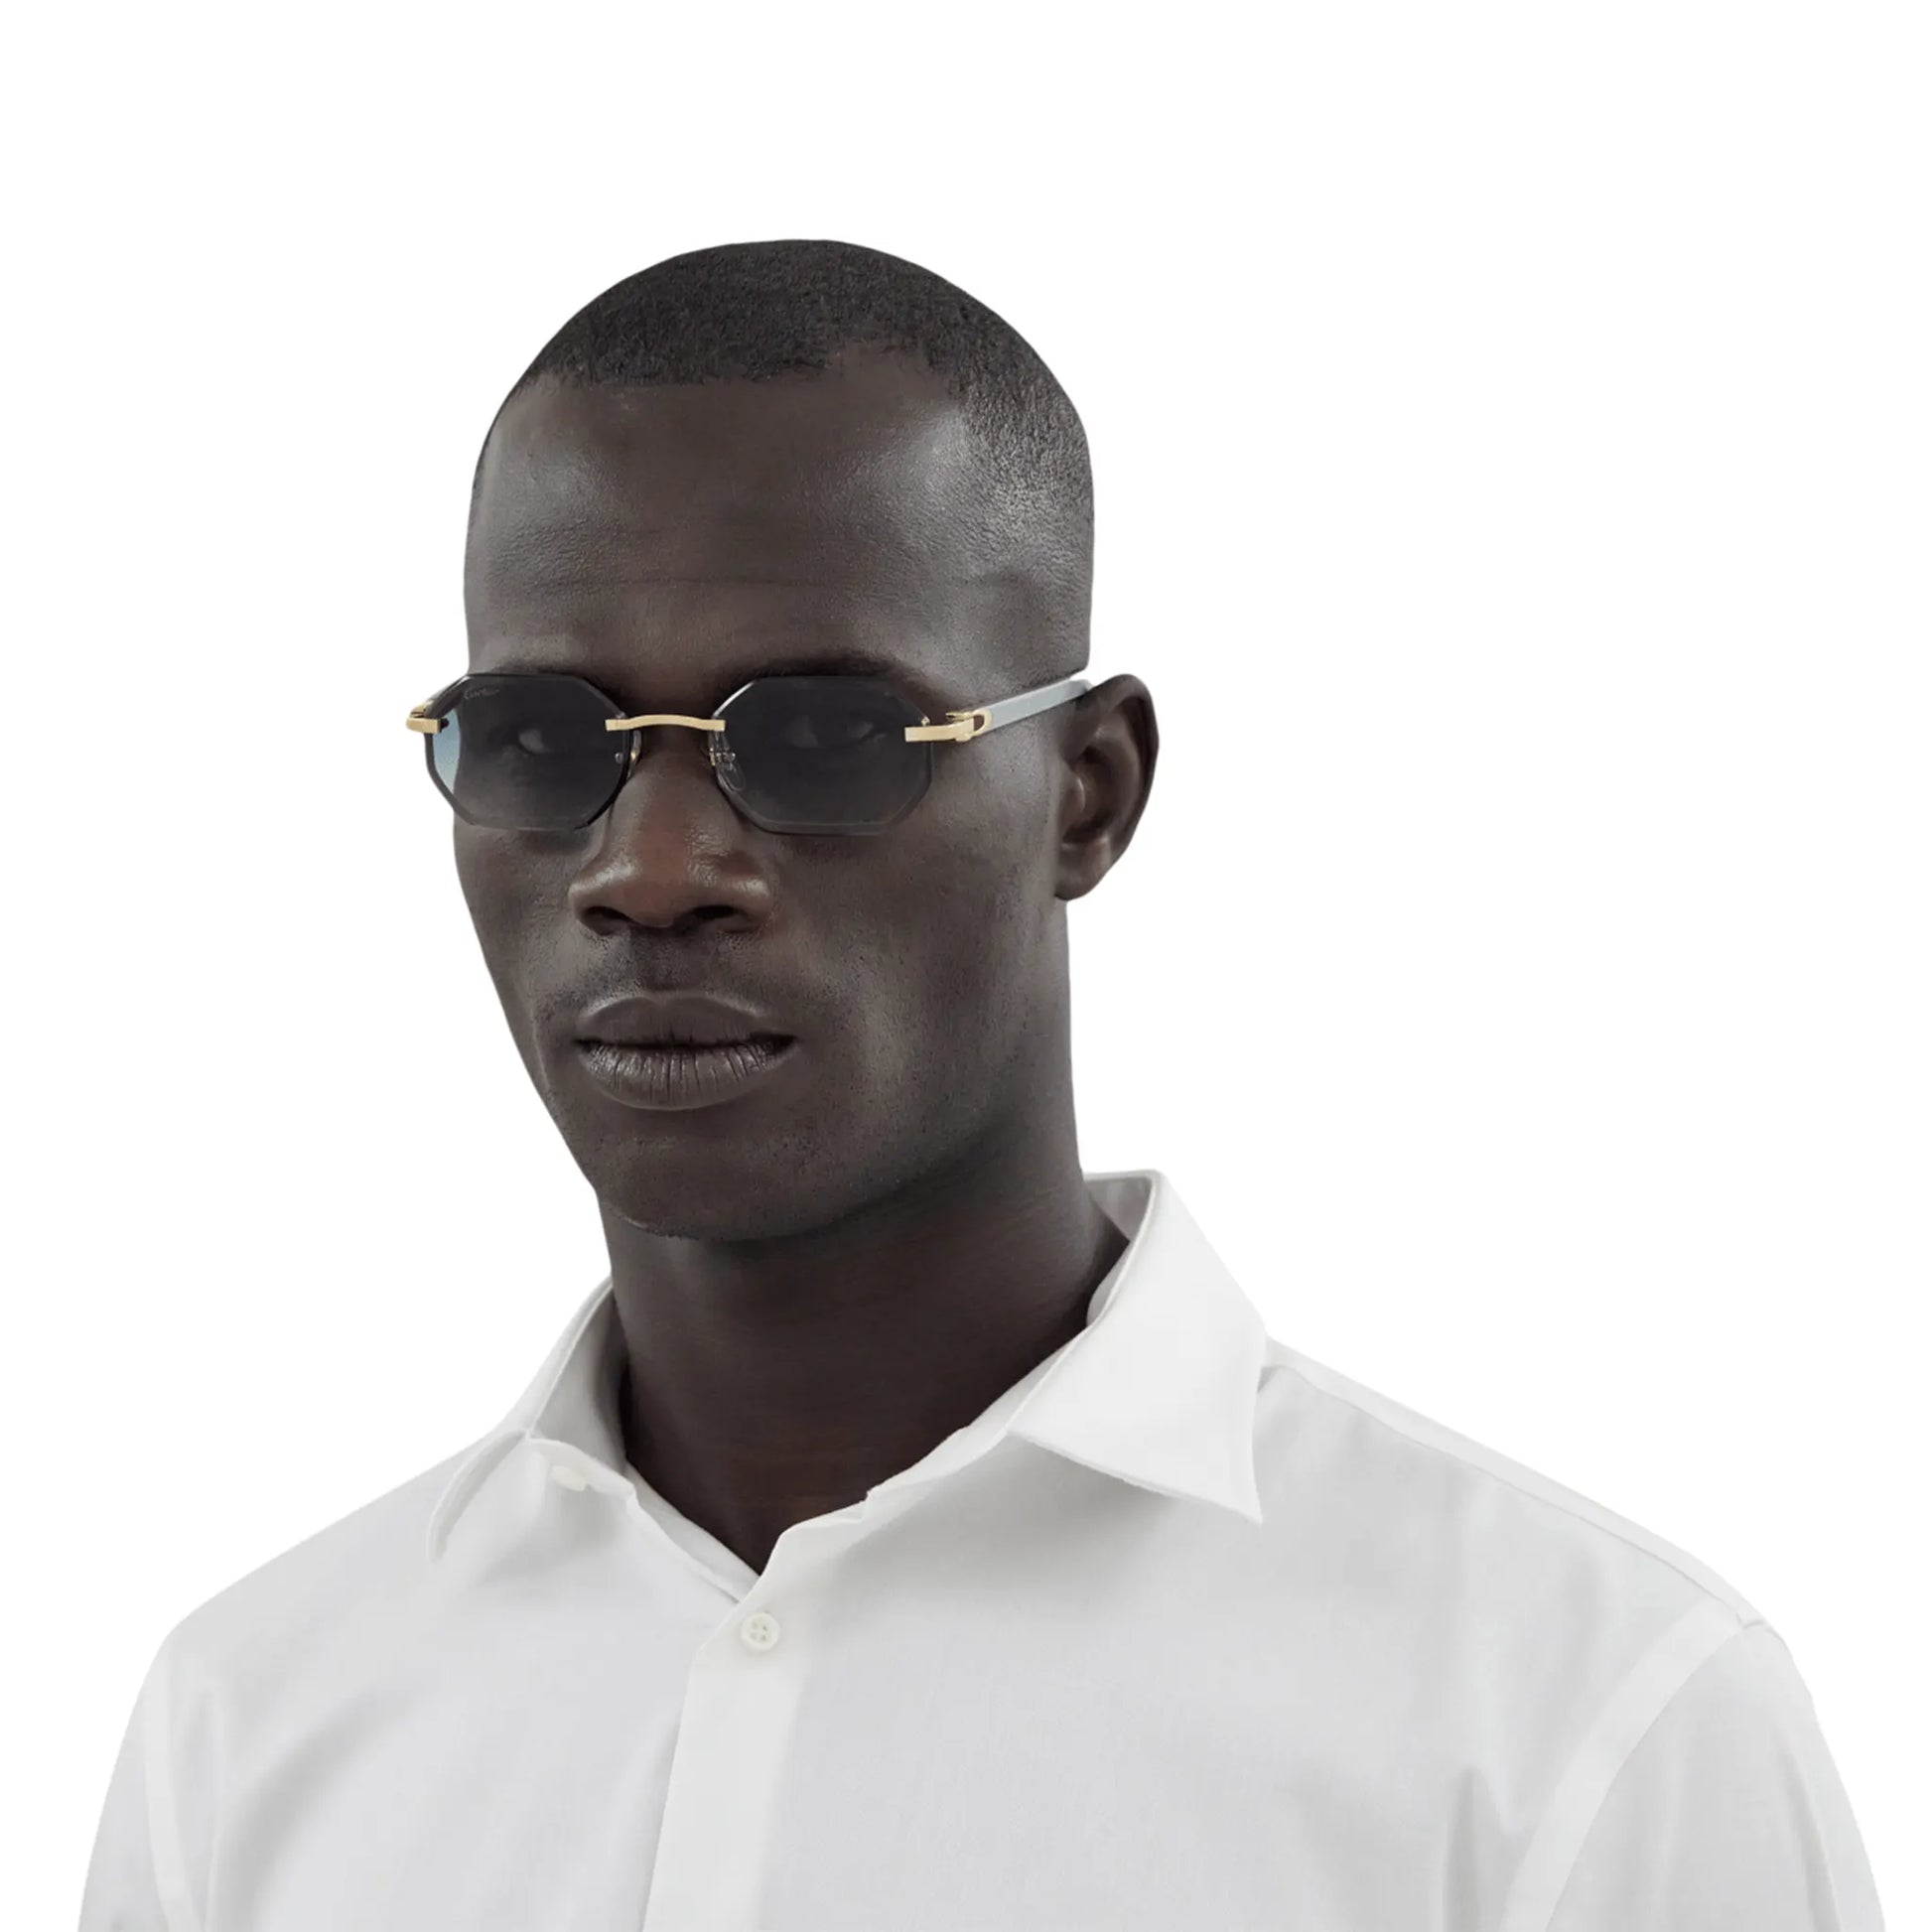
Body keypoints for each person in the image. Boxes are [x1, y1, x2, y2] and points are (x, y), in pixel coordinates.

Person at [78, 240, 1885, 1931]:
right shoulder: (249, 1731)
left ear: (1087, 792)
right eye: (542, 739)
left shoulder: (1580, 1729)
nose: (652, 867)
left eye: (823, 737)